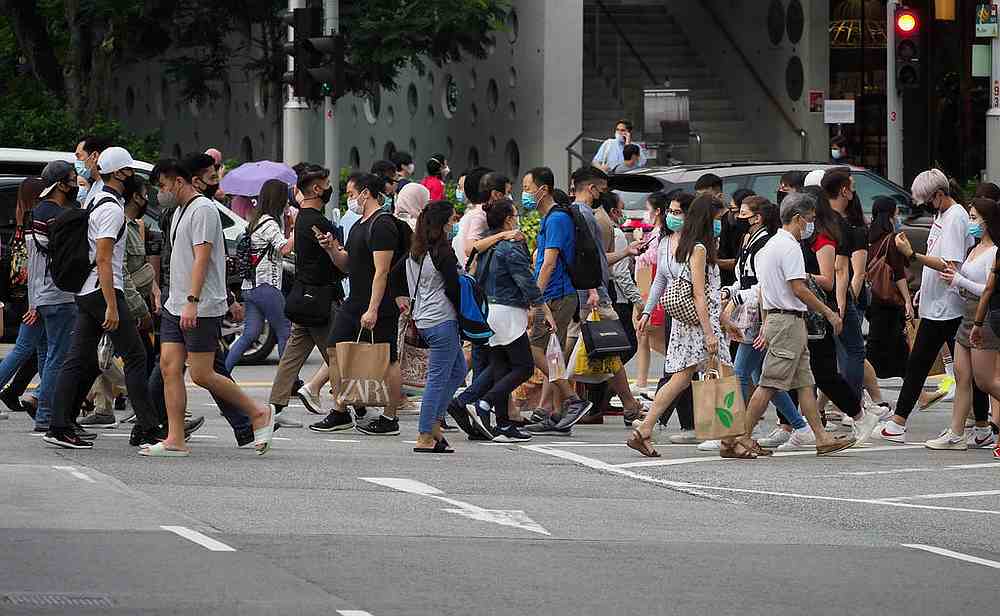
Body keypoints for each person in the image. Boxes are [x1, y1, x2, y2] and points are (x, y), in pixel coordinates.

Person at [151, 154, 274, 457]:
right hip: (175, 303)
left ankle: (258, 412)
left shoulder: (203, 210)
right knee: (169, 367)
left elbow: (202, 258)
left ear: (179, 181)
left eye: (164, 185)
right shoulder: (181, 210)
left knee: (202, 374)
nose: (160, 192)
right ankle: (175, 438)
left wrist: (192, 301)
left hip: (199, 305)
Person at [720, 193, 858, 459]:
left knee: (805, 382)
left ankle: (821, 437)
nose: (811, 225)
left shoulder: (771, 245)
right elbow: (799, 288)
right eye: (810, 219)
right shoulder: (790, 247)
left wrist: (765, 322)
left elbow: (764, 290)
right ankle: (739, 437)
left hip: (779, 318)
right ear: (797, 218)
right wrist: (829, 312)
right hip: (788, 320)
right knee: (770, 383)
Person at [43, 147, 160, 449]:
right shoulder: (110, 209)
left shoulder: (98, 197)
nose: (133, 176)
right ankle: (146, 427)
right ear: (121, 174)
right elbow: (105, 259)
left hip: (89, 290)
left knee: (80, 360)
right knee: (135, 357)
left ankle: (60, 424)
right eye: (130, 171)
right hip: (101, 290)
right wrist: (111, 303)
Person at [883, 169, 986, 443]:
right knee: (966, 372)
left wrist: (912, 255)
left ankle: (899, 421)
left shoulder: (954, 218)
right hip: (939, 303)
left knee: (924, 364)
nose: (925, 205)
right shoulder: (944, 215)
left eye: (927, 199)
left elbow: (948, 265)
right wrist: (923, 290)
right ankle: (982, 426)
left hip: (948, 306)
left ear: (939, 195)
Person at [629, 195, 730, 457]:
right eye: (718, 219)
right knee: (722, 375)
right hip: (699, 322)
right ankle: (730, 439)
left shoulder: (685, 245)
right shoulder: (697, 248)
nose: (721, 224)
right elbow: (700, 293)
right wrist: (710, 330)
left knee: (681, 378)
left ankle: (645, 430)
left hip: (686, 322)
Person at [316, 172, 408, 436]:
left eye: (352, 193)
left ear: (366, 193)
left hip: (378, 303)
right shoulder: (359, 224)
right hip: (355, 299)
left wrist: (373, 308)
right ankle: (341, 409)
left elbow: (382, 271)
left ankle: (390, 417)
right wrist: (332, 249)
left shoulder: (382, 225)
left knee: (388, 358)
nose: (349, 198)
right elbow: (348, 264)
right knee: (334, 349)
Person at [720, 196, 810, 450]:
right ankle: (800, 426)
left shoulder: (764, 243)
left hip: (758, 315)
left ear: (757, 217)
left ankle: (735, 430)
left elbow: (762, 285)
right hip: (750, 313)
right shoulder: (750, 241)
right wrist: (729, 292)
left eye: (742, 213)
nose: (737, 217)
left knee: (744, 374)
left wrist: (736, 297)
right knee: (762, 376)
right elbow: (743, 278)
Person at [463, 199, 555, 441]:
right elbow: (525, 281)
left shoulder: (486, 245)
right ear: (508, 219)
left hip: (488, 312)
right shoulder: (511, 246)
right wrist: (543, 308)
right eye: (515, 214)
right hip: (508, 312)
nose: (517, 218)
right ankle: (484, 403)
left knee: (502, 367)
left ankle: (503, 424)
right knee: (523, 367)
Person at [269, 166, 343, 428]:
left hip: (305, 296)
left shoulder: (302, 218)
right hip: (319, 297)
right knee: (335, 355)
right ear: (316, 189)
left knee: (292, 355)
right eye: (326, 183)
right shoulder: (317, 222)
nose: (328, 187)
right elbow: (337, 261)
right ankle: (346, 408)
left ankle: (274, 406)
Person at [924, 197, 1000, 450]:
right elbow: (965, 286)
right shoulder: (973, 249)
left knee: (985, 381)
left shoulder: (994, 252)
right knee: (961, 376)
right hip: (967, 316)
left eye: (974, 217)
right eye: (970, 216)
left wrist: (959, 281)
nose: (970, 222)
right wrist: (953, 283)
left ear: (988, 221)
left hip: (985, 319)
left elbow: (987, 290)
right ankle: (955, 433)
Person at [521, 167, 593, 432]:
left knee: (534, 349)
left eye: (528, 188)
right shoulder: (549, 218)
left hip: (556, 297)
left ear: (543, 189)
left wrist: (534, 300)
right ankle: (549, 412)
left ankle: (572, 400)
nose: (524, 194)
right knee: (552, 355)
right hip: (555, 296)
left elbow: (549, 264)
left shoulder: (556, 220)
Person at [398, 200, 466, 452]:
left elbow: (397, 277)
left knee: (458, 370)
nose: (454, 223)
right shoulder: (443, 252)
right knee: (437, 380)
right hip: (442, 320)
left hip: (424, 319)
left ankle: (434, 423)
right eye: (451, 219)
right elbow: (453, 287)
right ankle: (426, 433)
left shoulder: (416, 251)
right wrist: (465, 316)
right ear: (443, 223)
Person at [15, 172, 77, 433]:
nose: (75, 184)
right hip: (60, 296)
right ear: (59, 184)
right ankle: (45, 415)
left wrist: (33, 302)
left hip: (41, 297)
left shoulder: (34, 214)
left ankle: (43, 407)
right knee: (56, 358)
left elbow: (34, 264)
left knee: (44, 354)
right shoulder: (58, 215)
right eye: (72, 179)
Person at [225, 179, 293, 371]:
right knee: (285, 331)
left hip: (250, 287)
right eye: (286, 198)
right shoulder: (269, 222)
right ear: (278, 199)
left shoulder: (257, 220)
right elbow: (285, 248)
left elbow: (276, 247)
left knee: (250, 333)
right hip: (266, 286)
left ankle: (223, 374)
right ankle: (288, 381)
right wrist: (298, 230)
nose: (288, 202)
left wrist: (287, 228)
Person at [820, 169, 866, 400]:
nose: (854, 191)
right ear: (843, 190)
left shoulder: (817, 218)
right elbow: (840, 268)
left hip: (813, 295)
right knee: (855, 351)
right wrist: (840, 307)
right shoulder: (841, 225)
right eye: (852, 186)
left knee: (824, 357)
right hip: (835, 295)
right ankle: (853, 404)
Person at [865, 197, 913, 383]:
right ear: (891, 214)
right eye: (896, 212)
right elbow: (899, 273)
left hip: (874, 299)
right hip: (891, 301)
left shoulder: (868, 237)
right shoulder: (893, 240)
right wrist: (907, 300)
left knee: (890, 347)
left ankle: (920, 393)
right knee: (890, 347)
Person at [718, 188, 755, 289]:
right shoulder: (727, 222)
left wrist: (716, 262)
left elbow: (740, 263)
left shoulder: (751, 233)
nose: (730, 214)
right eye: (730, 208)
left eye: (734, 210)